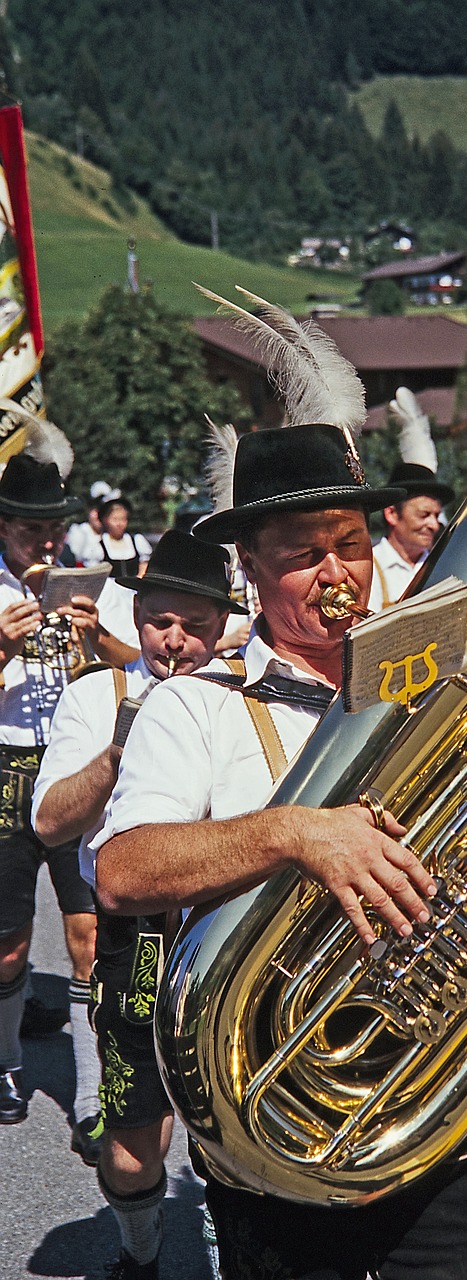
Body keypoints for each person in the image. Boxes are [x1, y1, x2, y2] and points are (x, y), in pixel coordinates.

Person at [91, 422, 467, 1280]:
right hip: (273, 1096)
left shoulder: (437, 693)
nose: (338, 576)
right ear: (249, 572)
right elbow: (122, 869)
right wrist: (293, 832)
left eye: (351, 545)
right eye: (305, 555)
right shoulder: (199, 708)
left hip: (437, 1079)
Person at [32, 528, 245, 1280]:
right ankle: (141, 1251)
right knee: (129, 1151)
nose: (176, 641)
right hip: (138, 941)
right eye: (161, 622)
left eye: (195, 626)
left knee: (237, 1135)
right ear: (138, 616)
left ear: (221, 629)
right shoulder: (100, 693)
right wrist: (125, 753)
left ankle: (234, 1259)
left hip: (232, 934)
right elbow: (50, 820)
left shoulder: (245, 695)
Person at [0, 450, 134, 1139]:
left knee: (88, 934)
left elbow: (136, 660)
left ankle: (90, 1095)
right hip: (6, 764)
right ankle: (5, 1060)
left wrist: (96, 634)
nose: (45, 543)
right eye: (30, 530)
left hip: (72, 766)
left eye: (51, 528)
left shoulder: (89, 580)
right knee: (10, 944)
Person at [368, 460, 455, 611]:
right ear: (392, 514)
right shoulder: (370, 569)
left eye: (436, 515)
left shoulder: (442, 566)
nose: (434, 525)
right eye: (423, 515)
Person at [91, 497, 153, 583]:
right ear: (105, 520)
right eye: (115, 519)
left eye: (123, 519)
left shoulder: (137, 541)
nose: (119, 524)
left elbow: (144, 565)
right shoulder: (99, 546)